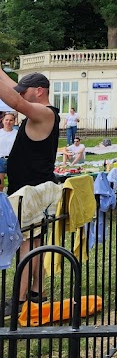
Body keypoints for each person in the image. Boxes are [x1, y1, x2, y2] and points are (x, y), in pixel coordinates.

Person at [0, 72, 60, 310]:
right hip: (32, 187)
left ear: (40, 91)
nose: (21, 94)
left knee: (27, 243)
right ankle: (36, 291)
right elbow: (15, 90)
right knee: (34, 241)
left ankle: (19, 299)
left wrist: (18, 98)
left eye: (26, 91)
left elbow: (15, 102)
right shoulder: (40, 110)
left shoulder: (45, 113)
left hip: (30, 190)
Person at [0, 110, 18, 190]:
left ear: (14, 122)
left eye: (11, 120)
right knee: (0, 185)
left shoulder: (17, 133)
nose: (8, 122)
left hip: (13, 160)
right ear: (3, 121)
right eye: (6, 120)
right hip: (0, 160)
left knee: (14, 184)